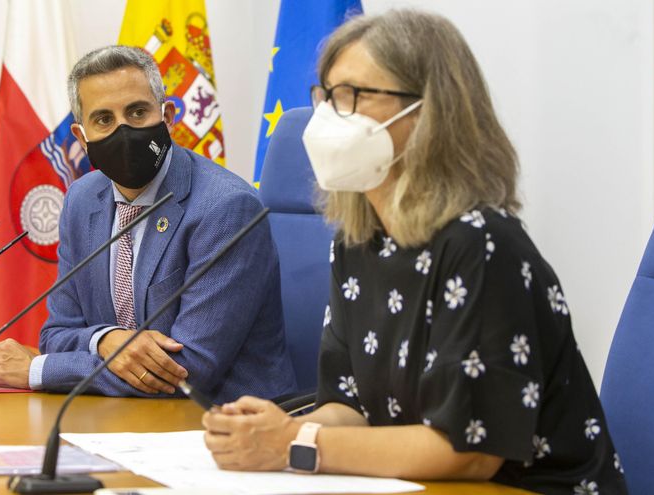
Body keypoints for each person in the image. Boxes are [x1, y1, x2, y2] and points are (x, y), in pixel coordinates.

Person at [201, 10, 627, 494]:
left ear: (428, 113)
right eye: (327, 96)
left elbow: (467, 452)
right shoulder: (357, 239)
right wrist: (274, 431)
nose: (326, 118)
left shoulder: (482, 244)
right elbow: (350, 406)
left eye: (353, 96)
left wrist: (295, 442)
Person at [0, 45, 297, 403]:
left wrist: (39, 370)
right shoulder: (82, 200)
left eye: (137, 112)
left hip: (226, 423)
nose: (122, 131)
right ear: (82, 138)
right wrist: (108, 340)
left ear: (168, 116)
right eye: (103, 120)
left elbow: (186, 370)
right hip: (124, 418)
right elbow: (56, 334)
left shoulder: (225, 208)